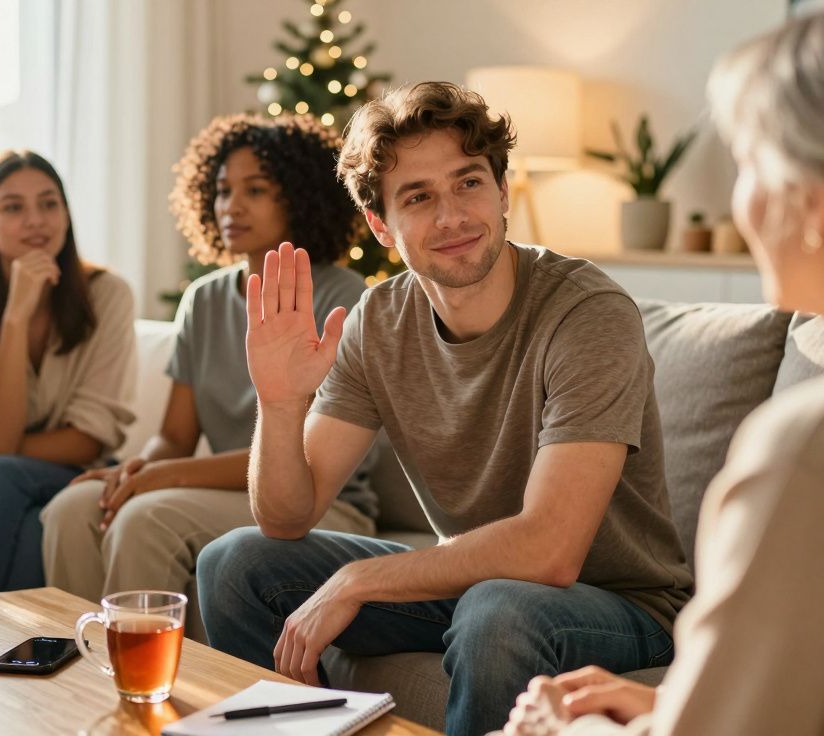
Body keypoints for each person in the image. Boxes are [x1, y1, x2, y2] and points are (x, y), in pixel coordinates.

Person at [501, 1, 824, 734]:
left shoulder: (820, 445)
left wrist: (561, 728)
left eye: (748, 163)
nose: (739, 199)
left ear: (816, 203)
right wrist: (666, 705)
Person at [196, 82, 694, 736]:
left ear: (502, 190)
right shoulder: (379, 321)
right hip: (478, 586)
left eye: (468, 184)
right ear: (381, 225)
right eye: (419, 197)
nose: (453, 216)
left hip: (624, 607)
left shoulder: (587, 313)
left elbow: (551, 551)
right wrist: (282, 403)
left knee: (499, 611)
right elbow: (287, 517)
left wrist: (360, 580)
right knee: (235, 564)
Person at [40, 115, 377, 630]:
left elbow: (304, 449)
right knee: (75, 505)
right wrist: (136, 468)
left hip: (318, 501)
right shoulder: (204, 299)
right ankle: (77, 665)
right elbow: (175, 436)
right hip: (221, 492)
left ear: (300, 197)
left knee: (145, 520)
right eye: (222, 191)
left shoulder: (340, 297)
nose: (231, 206)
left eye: (255, 190)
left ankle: (137, 686)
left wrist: (164, 476)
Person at [0, 150, 136, 596]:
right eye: (14, 207)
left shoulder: (108, 295)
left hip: (75, 468)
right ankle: (15, 653)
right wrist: (15, 318)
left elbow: (86, 439)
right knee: (24, 519)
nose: (36, 220)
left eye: (49, 203)